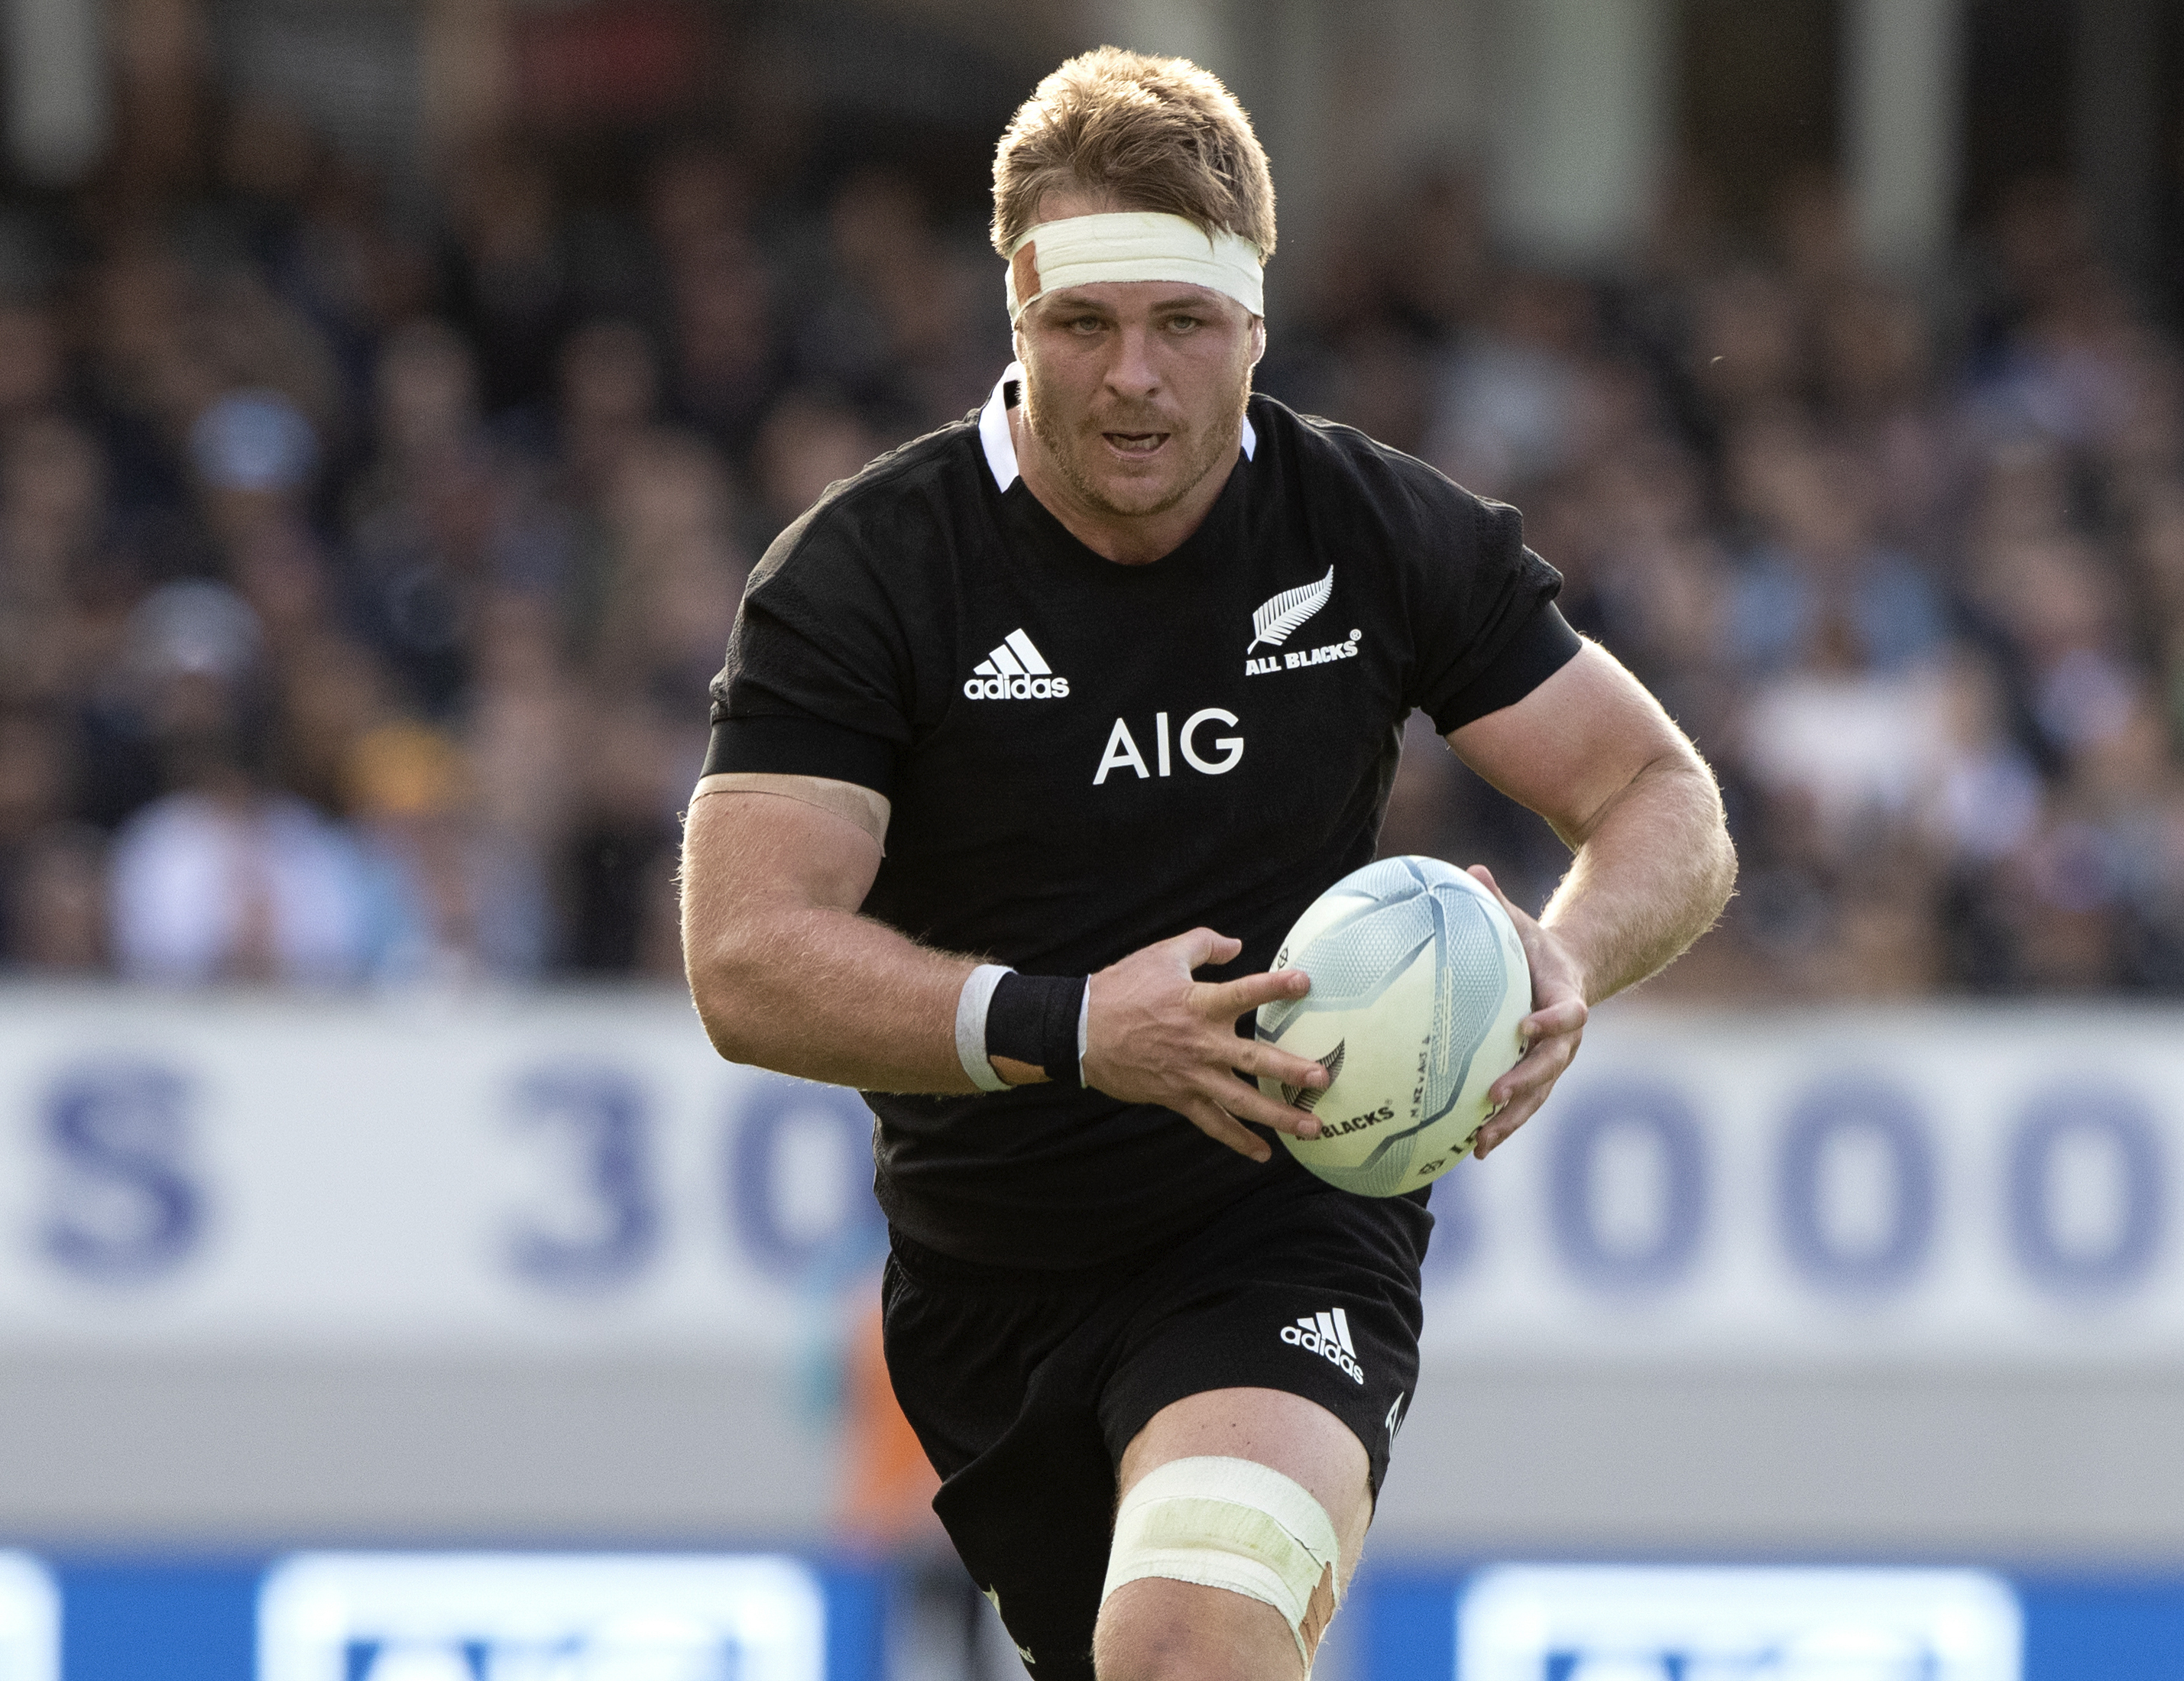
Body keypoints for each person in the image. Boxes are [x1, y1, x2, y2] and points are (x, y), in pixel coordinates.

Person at [682, 48, 1734, 1681]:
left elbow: (1660, 796)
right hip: (990, 1281)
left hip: (1290, 1222)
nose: (1134, 379)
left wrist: (1573, 952)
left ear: (1257, 318)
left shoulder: (1373, 531)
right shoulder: (865, 574)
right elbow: (745, 956)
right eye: (1082, 324)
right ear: (1014, 317)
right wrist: (1078, 1024)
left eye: (1184, 322)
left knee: (1190, 1642)